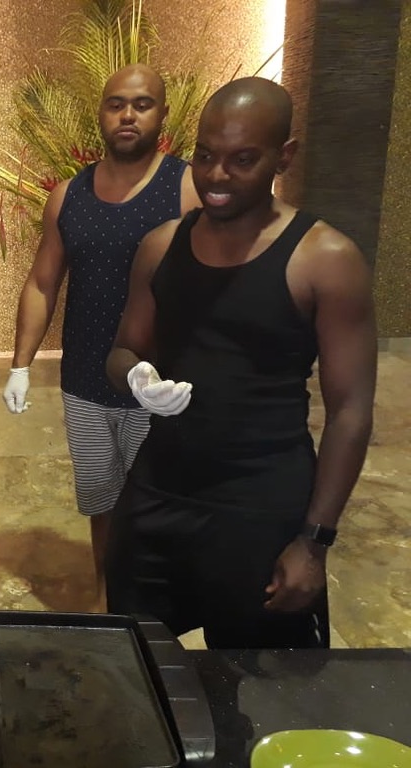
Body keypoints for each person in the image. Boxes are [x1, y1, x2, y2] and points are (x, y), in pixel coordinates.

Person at [105, 77, 376, 648]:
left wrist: (313, 541)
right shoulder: (161, 245)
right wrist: (135, 376)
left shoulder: (325, 259)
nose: (217, 176)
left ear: (285, 156)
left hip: (261, 500)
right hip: (159, 489)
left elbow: (351, 410)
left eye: (242, 160)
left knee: (263, 689)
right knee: (138, 666)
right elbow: (124, 347)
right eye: (205, 156)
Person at [3, 64, 199, 604]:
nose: (128, 114)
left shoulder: (185, 188)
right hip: (83, 383)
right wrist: (20, 363)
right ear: (101, 114)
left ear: (161, 114)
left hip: (156, 389)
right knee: (99, 502)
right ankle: (111, 602)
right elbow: (43, 282)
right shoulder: (70, 195)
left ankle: (158, 617)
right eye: (116, 103)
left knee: (157, 507)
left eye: (141, 103)